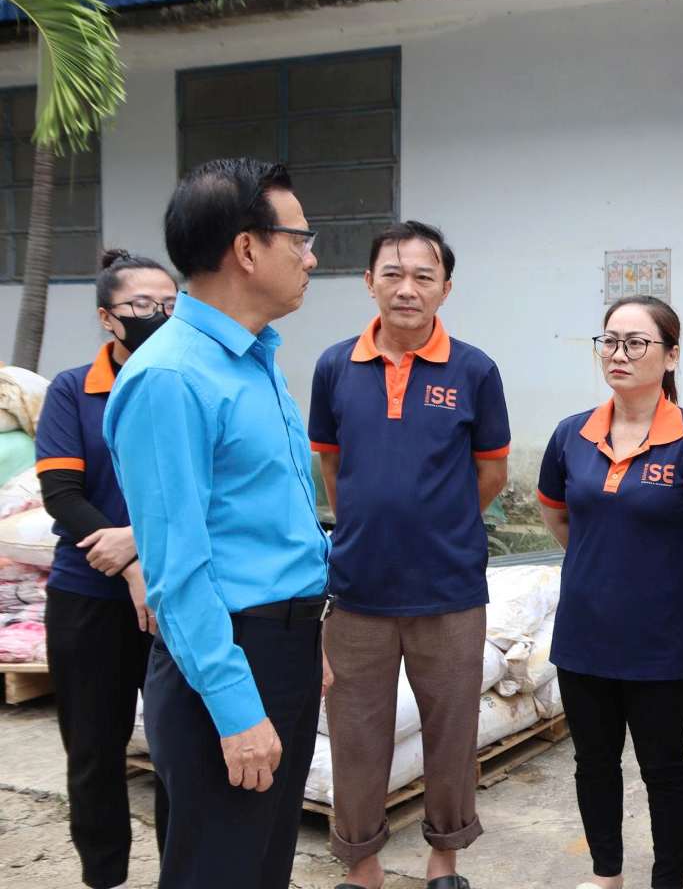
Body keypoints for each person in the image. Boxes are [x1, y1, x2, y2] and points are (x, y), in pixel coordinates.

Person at [103, 157, 331, 889]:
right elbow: (177, 570)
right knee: (219, 871)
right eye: (300, 238)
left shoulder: (254, 359)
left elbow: (265, 522)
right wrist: (235, 709)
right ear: (246, 249)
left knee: (263, 868)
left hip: (280, 646)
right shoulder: (172, 378)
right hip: (224, 660)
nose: (311, 257)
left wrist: (306, 639)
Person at [309, 221, 509, 889]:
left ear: (445, 288)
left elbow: (491, 471)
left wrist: (437, 524)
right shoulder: (335, 367)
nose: (407, 289)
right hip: (357, 588)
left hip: (448, 588)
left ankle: (444, 859)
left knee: (451, 731)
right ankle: (362, 864)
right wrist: (370, 524)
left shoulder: (475, 370)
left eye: (424, 276)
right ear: (369, 283)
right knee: (355, 734)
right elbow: (332, 465)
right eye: (392, 274)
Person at [536, 295, 683, 889]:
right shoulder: (571, 434)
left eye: (636, 342)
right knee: (593, 762)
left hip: (660, 640)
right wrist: (599, 566)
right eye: (610, 341)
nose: (618, 353)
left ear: (671, 356)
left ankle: (668, 881)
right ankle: (607, 875)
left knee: (663, 766)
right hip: (584, 633)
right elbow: (556, 512)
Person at [36, 250, 175, 888]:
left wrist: (139, 549)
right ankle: (105, 877)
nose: (158, 315)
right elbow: (63, 494)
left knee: (179, 750)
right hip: (87, 599)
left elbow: (208, 490)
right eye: (142, 305)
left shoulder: (185, 383)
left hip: (175, 592)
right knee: (94, 750)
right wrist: (128, 567)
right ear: (106, 317)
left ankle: (183, 873)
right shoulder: (73, 390)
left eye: (170, 305)